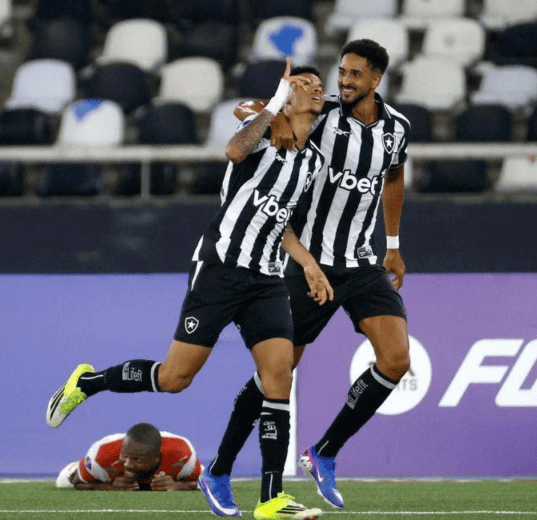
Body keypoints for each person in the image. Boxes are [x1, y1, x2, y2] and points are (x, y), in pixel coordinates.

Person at [47, 59, 328, 520]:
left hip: (267, 279)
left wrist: (309, 265)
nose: (315, 89)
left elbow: (281, 222)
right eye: (304, 83)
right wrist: (273, 109)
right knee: (175, 379)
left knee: (280, 377)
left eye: (319, 85)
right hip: (220, 269)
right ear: (286, 92)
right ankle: (89, 382)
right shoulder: (261, 130)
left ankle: (272, 498)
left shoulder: (312, 160)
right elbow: (235, 152)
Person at [200, 39, 413, 514]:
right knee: (276, 375)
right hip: (305, 262)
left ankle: (325, 451)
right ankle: (219, 467)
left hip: (359, 261)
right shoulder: (323, 115)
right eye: (342, 72)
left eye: (355, 74)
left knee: (396, 360)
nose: (344, 81)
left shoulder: (397, 127)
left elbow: (393, 177)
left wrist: (393, 245)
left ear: (376, 79)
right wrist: (275, 116)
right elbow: (243, 107)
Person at [55, 423, 202, 491]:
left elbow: (205, 484)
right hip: (104, 472)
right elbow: (78, 483)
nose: (127, 464)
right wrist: (110, 487)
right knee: (61, 483)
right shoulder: (101, 456)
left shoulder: (183, 455)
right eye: (125, 456)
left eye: (137, 459)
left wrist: (178, 485)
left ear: (157, 458)